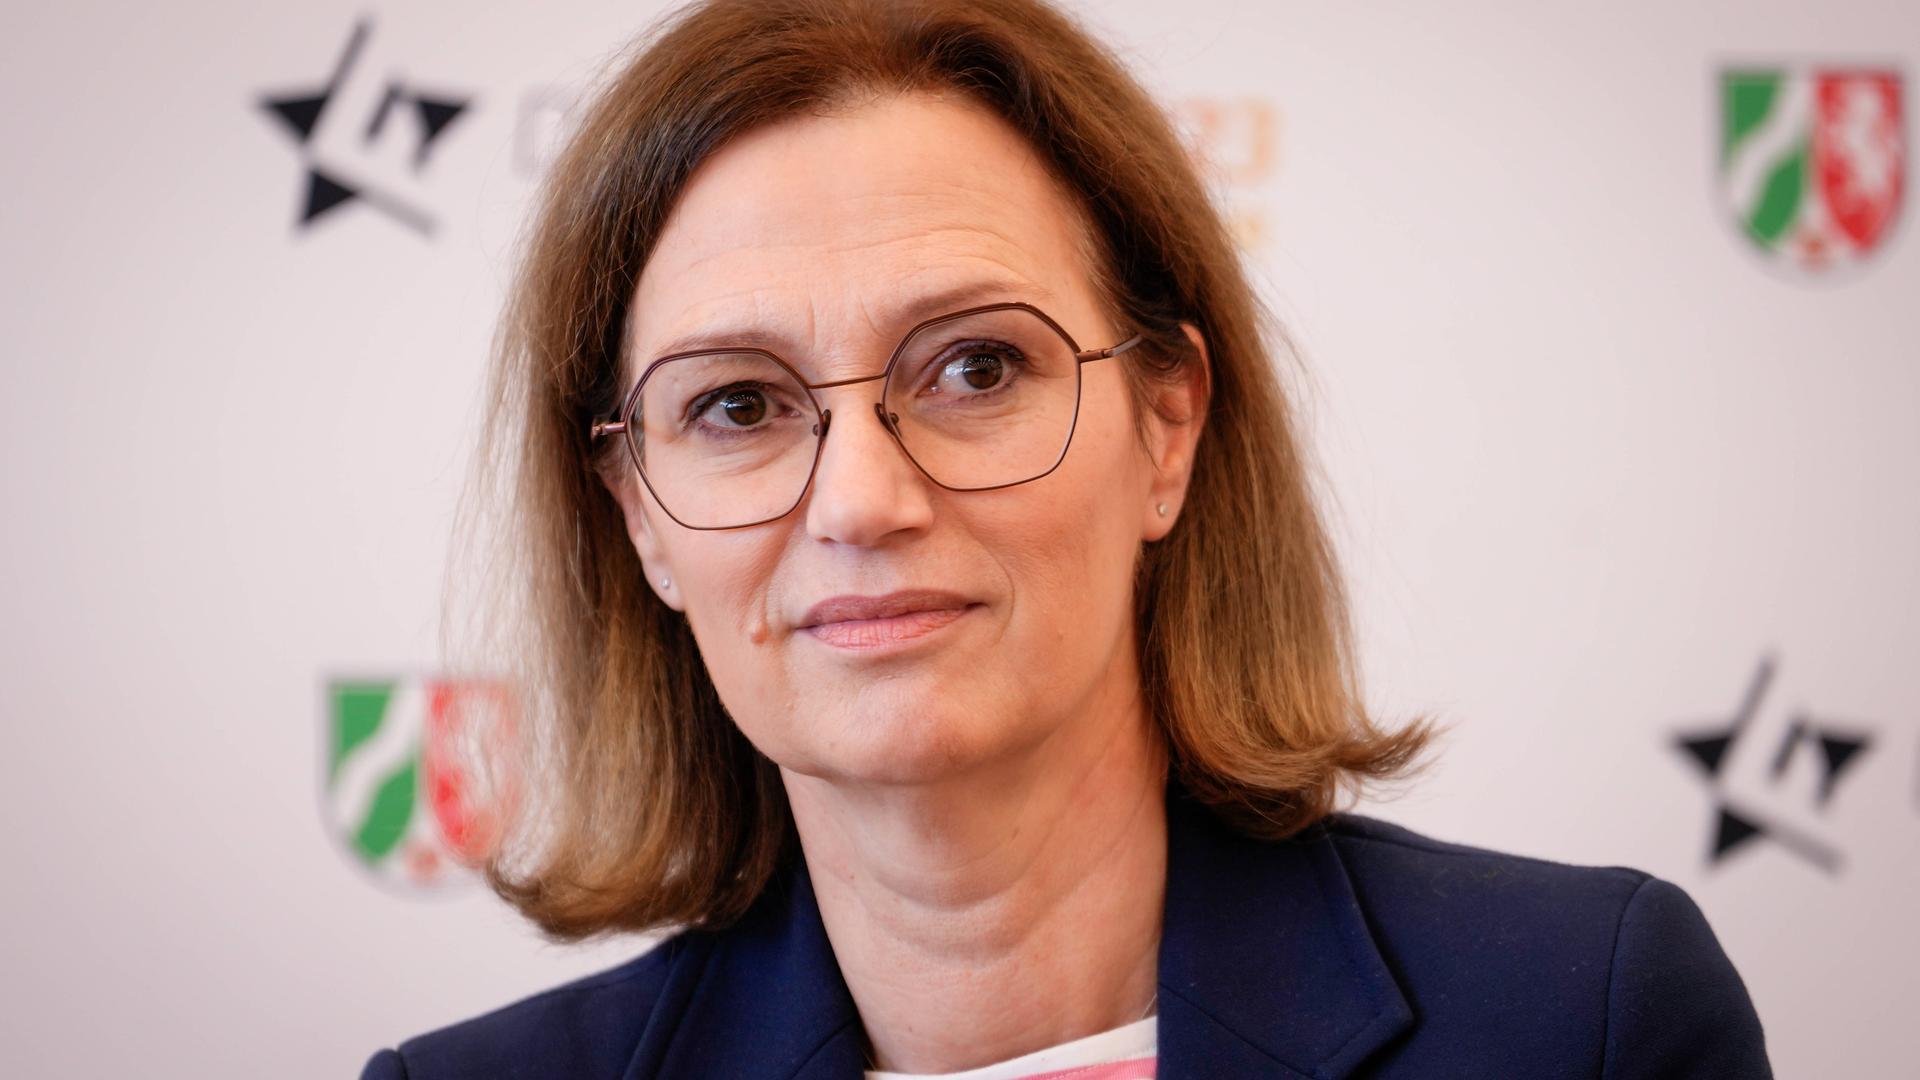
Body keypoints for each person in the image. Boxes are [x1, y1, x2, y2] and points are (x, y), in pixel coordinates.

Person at [360, 0, 1772, 1076]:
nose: (860, 502)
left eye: (973, 369)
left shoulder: (1582, 1021)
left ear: (1167, 426)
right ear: (639, 519)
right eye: (737, 403)